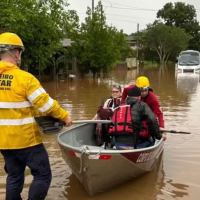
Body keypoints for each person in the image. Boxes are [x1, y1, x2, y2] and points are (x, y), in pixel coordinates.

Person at [0, 32, 72, 200]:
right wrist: (65, 117)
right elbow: (46, 105)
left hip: (4, 142)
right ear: (16, 53)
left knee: (14, 176)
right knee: (43, 175)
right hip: (27, 140)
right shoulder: (25, 78)